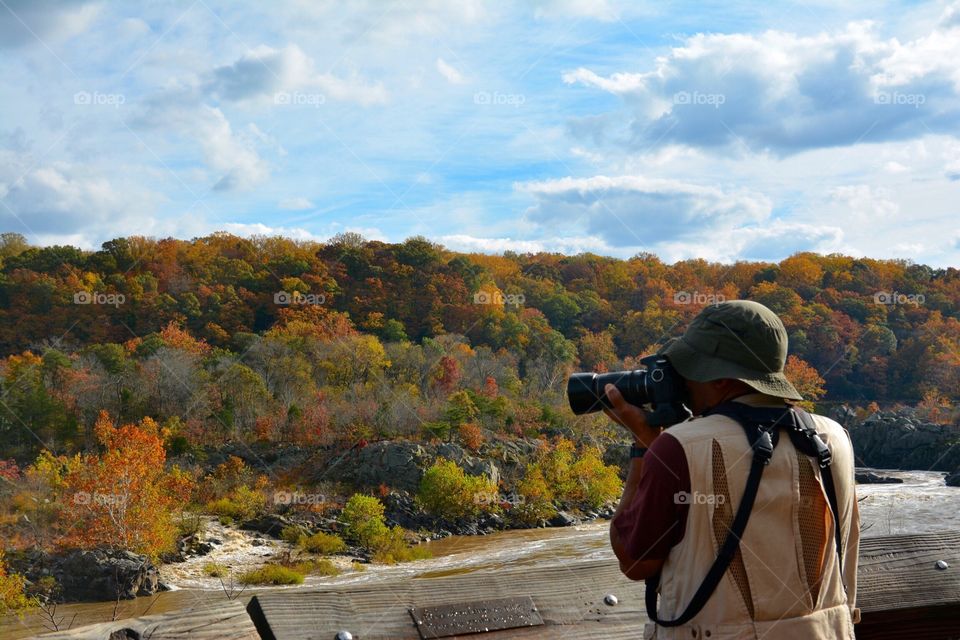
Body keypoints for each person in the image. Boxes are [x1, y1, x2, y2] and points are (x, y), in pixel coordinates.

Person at [606, 300, 860, 639]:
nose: (685, 380)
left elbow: (634, 561)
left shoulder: (680, 448)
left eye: (691, 369)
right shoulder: (834, 437)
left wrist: (644, 446)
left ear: (722, 380)